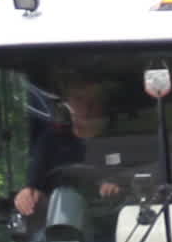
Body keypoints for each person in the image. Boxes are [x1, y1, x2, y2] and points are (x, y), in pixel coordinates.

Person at [14, 77, 121, 218]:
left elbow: (133, 178)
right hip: (60, 221)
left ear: (103, 104)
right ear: (67, 103)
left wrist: (114, 186)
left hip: (112, 220)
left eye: (93, 101)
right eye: (79, 99)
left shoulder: (119, 139)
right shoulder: (51, 141)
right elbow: (33, 186)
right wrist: (25, 196)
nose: (86, 107)